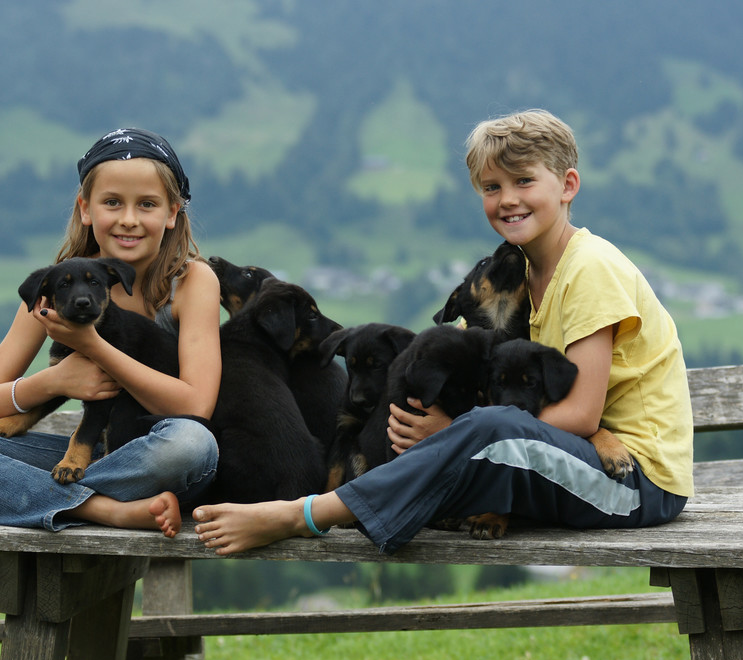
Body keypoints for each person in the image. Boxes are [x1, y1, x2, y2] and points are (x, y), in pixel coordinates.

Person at [193, 109, 693, 555]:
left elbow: (582, 415)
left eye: (524, 181)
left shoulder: (589, 268)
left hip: (634, 482)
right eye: (491, 188)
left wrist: (453, 432)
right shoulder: (523, 277)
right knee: (471, 417)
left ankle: (301, 515)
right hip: (563, 463)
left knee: (488, 426)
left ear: (567, 185)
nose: (508, 199)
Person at [0, 128, 222, 538]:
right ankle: (106, 510)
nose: (129, 219)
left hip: (154, 454)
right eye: (112, 202)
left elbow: (196, 407)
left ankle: (13, 494)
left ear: (173, 212)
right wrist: (55, 380)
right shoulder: (56, 286)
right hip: (79, 459)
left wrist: (93, 348)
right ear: (85, 208)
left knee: (192, 444)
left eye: (147, 204)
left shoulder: (192, 282)